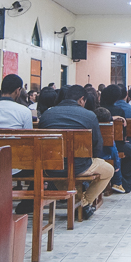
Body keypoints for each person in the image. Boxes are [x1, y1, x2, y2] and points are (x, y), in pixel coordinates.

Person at [38, 85, 114, 219]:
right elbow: (97, 147)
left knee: (62, 173)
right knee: (109, 170)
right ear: (81, 100)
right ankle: (84, 202)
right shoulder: (89, 115)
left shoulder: (47, 114)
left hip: (52, 167)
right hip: (80, 166)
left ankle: (75, 199)